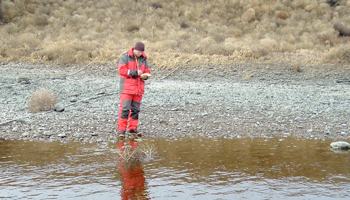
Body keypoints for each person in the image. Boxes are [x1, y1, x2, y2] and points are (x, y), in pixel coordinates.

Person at [116, 42, 151, 139]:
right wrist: (135, 72)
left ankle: (132, 130)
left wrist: (146, 76)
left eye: (141, 51)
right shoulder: (125, 57)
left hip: (138, 88)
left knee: (135, 110)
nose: (139, 53)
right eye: (138, 51)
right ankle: (121, 131)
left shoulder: (144, 58)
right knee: (125, 109)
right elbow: (121, 71)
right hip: (126, 89)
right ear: (134, 49)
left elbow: (147, 70)